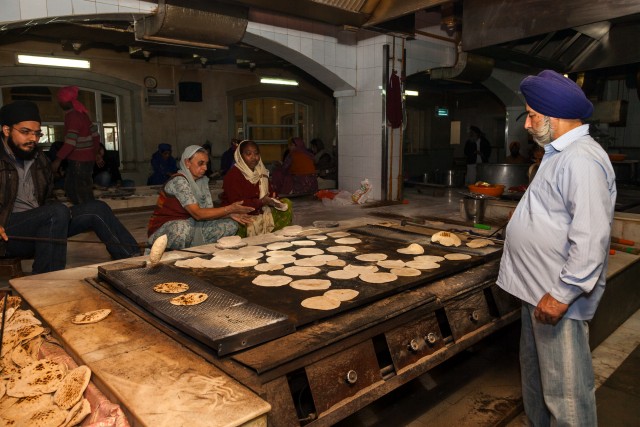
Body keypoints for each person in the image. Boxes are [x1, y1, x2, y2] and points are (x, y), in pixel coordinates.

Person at [496, 70, 617, 426]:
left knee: (566, 396)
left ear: (555, 117)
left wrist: (562, 294)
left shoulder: (581, 159)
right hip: (537, 290)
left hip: (557, 297)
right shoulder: (557, 154)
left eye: (533, 115)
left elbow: (591, 238)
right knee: (537, 383)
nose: (527, 124)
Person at [0, 101, 140, 274]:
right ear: (6, 130)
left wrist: (60, 214)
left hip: (41, 224)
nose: (33, 139)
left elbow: (47, 198)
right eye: (25, 132)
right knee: (56, 212)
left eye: (37, 133)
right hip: (8, 234)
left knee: (97, 208)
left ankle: (135, 261)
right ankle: (45, 281)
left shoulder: (39, 159)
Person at [146, 145, 255, 251]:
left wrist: (229, 214)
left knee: (231, 225)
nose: (205, 168)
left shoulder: (202, 181)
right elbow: (197, 214)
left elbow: (207, 212)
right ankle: (173, 254)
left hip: (193, 226)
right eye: (201, 163)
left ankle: (197, 249)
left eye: (206, 163)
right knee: (182, 229)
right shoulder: (179, 181)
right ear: (187, 163)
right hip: (168, 229)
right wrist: (230, 209)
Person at [220, 140, 293, 237]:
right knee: (236, 224)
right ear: (240, 156)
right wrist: (261, 202)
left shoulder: (261, 171)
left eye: (256, 153)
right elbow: (237, 205)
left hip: (261, 210)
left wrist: (273, 199)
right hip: (240, 214)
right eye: (248, 154)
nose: (253, 157)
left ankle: (274, 238)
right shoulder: (233, 175)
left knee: (287, 204)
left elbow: (270, 192)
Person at [51, 86, 102, 205]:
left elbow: (70, 143)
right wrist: (96, 153)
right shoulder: (82, 114)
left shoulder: (72, 116)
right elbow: (95, 136)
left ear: (65, 102)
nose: (59, 102)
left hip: (79, 161)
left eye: (60, 100)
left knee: (78, 192)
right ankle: (86, 212)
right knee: (80, 190)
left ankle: (87, 213)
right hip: (87, 160)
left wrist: (57, 160)